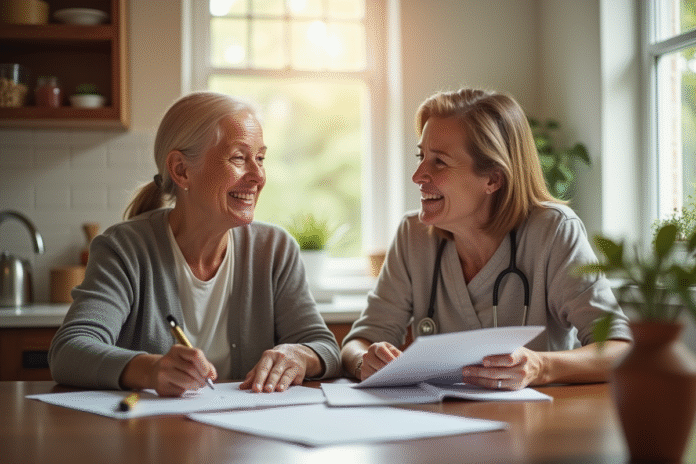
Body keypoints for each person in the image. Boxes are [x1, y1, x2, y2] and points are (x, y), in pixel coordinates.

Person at [49, 92, 341, 396]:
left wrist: (300, 355)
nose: (258, 176)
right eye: (239, 158)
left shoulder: (275, 249)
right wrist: (149, 370)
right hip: (153, 435)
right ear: (181, 170)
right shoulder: (124, 248)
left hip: (247, 437)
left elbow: (325, 348)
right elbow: (69, 351)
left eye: (260, 158)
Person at [341, 88, 631, 390]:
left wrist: (540, 367)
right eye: (421, 156)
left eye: (438, 162)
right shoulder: (413, 235)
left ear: (493, 179)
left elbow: (618, 350)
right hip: (439, 424)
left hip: (536, 426)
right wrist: (366, 359)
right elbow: (359, 342)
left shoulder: (553, 232)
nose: (418, 175)